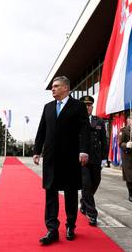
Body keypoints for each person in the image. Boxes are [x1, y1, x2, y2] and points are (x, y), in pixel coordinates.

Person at [33, 76, 89, 245]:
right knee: (50, 193)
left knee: (70, 193)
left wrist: (84, 150)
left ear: (66, 87)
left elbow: (84, 130)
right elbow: (42, 130)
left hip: (70, 158)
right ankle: (52, 229)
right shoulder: (48, 107)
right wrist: (37, 151)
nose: (53, 89)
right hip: (51, 158)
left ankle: (71, 225)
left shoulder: (78, 106)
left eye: (56, 86)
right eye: (52, 86)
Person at [78, 95, 107, 227]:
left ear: (92, 107)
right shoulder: (76, 121)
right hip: (82, 160)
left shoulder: (99, 121)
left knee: (96, 182)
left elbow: (103, 141)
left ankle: (84, 202)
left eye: (89, 105)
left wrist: (104, 158)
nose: (87, 107)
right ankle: (92, 214)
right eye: (85, 105)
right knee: (87, 185)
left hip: (95, 158)